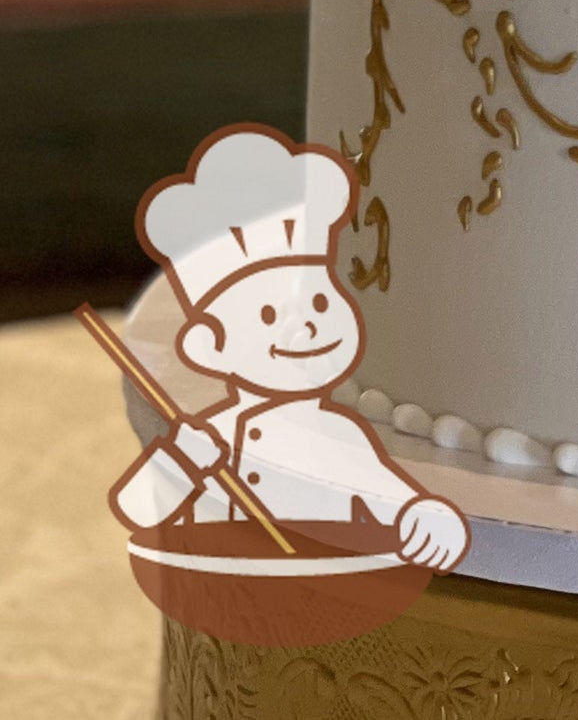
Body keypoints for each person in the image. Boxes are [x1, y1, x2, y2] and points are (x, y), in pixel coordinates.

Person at [109, 124, 468, 571]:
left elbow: (398, 501)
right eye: (268, 316)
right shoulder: (210, 432)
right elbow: (136, 507)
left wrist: (429, 521)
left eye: (321, 302)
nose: (311, 326)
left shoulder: (341, 438)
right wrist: (179, 454)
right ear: (208, 347)